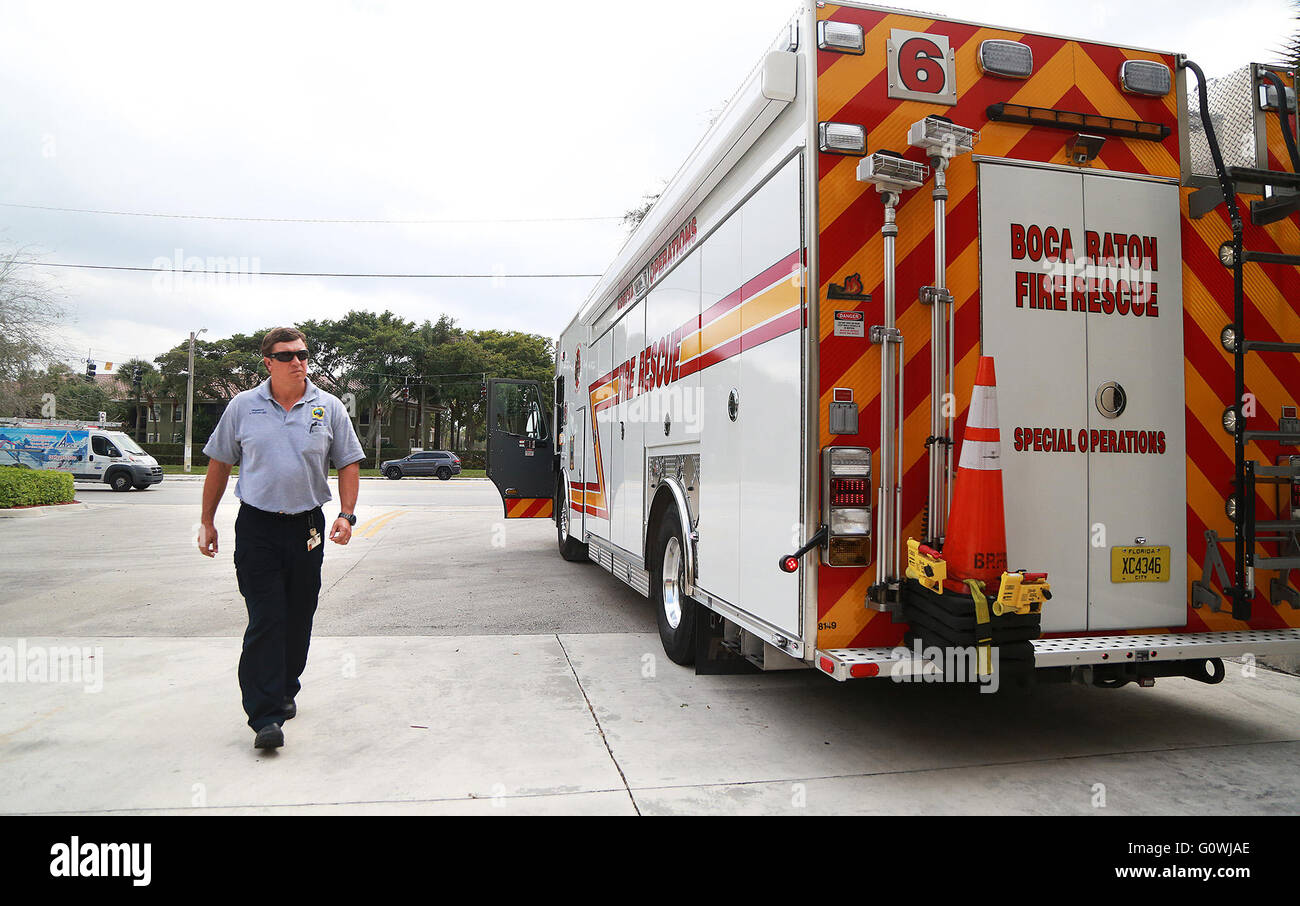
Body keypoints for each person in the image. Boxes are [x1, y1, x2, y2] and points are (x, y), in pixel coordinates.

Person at [197, 327, 365, 750]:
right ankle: (265, 715)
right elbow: (219, 465)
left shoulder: (328, 408)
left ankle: (286, 686)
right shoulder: (242, 407)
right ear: (268, 362)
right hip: (257, 528)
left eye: (303, 354)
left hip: (307, 527)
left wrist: (346, 514)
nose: (298, 362)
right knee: (266, 615)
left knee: (298, 614)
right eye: (287, 355)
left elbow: (348, 463)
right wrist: (207, 520)